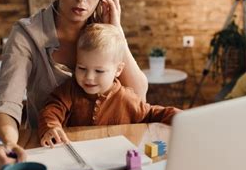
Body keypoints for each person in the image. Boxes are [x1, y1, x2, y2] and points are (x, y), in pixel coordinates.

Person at [0, 0, 148, 170]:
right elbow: (7, 103)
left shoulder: (105, 29)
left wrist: (117, 30)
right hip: (50, 153)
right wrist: (7, 144)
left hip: (110, 153)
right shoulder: (26, 34)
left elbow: (138, 95)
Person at [38, 23, 181, 147]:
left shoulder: (127, 98)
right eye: (81, 68)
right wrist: (51, 127)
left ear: (118, 70)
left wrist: (182, 119)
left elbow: (152, 114)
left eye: (99, 71)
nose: (88, 77)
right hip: (75, 155)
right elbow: (51, 109)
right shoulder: (70, 89)